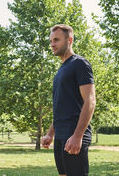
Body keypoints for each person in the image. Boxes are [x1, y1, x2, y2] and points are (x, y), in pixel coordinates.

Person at [41, 24, 96, 176]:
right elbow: (61, 106)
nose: (52, 44)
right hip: (61, 136)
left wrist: (77, 136)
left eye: (56, 40)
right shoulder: (61, 70)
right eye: (51, 40)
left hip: (74, 135)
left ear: (69, 40)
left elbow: (90, 101)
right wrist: (50, 133)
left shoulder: (79, 64)